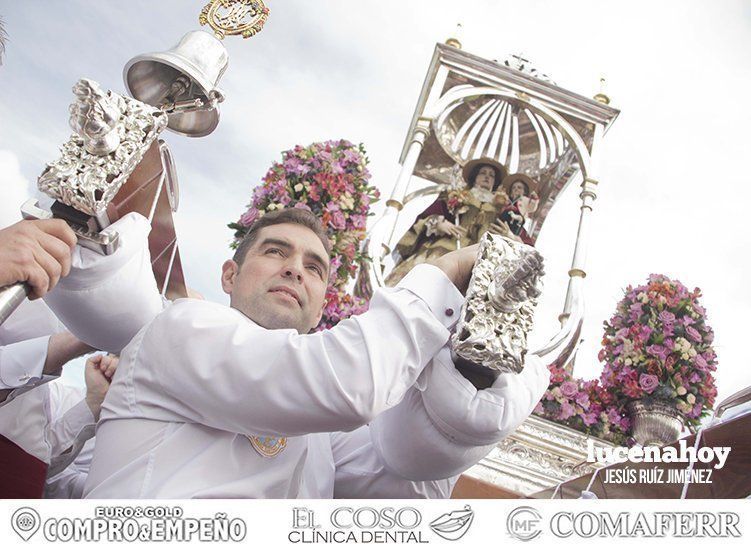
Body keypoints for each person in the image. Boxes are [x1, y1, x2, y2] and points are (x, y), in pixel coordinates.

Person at [45, 208, 550, 498]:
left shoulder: (323, 434)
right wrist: (447, 272)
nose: (294, 270)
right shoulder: (180, 329)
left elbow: (408, 477)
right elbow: (346, 385)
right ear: (229, 275)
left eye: (314, 267)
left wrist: (467, 373)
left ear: (319, 310)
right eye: (275, 252)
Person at [386, 158, 510, 285]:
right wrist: (438, 222)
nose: (487, 177)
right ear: (475, 176)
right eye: (483, 173)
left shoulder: (500, 211)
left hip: (473, 263)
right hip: (443, 249)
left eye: (491, 175)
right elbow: (429, 214)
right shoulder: (457, 194)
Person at [497, 174, 539, 246]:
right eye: (513, 188)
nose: (516, 189)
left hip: (516, 223)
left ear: (524, 191)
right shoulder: (507, 201)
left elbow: (533, 205)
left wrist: (534, 197)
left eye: (519, 187)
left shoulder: (525, 200)